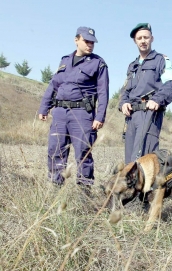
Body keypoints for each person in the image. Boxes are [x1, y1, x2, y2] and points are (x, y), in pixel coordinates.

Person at [38, 26, 109, 193]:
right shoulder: (64, 60)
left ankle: (84, 192)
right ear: (76, 40)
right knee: (55, 150)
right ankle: (55, 189)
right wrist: (44, 107)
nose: (90, 45)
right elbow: (54, 85)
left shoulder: (98, 63)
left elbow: (103, 92)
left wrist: (99, 116)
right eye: (86, 41)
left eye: (92, 42)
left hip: (82, 114)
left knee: (83, 153)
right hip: (60, 113)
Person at [119, 23, 172, 164]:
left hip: (149, 114)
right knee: (130, 164)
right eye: (139, 38)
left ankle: (151, 187)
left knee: (144, 160)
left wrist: (157, 99)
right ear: (135, 41)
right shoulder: (132, 65)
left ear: (152, 39)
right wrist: (123, 103)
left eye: (146, 37)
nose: (143, 41)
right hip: (131, 117)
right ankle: (133, 187)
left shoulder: (161, 60)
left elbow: (171, 84)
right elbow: (125, 89)